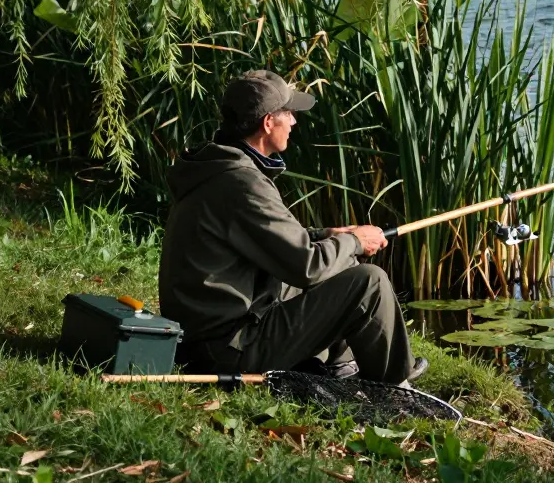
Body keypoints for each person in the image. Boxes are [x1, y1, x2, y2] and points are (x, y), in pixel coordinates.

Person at [158, 70, 426, 386]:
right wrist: (354, 241)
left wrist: (325, 236)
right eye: (288, 114)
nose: (294, 123)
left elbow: (268, 245)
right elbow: (306, 267)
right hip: (227, 348)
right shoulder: (242, 183)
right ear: (268, 122)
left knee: (340, 266)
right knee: (369, 282)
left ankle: (341, 366)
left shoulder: (219, 167)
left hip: (207, 336)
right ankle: (395, 387)